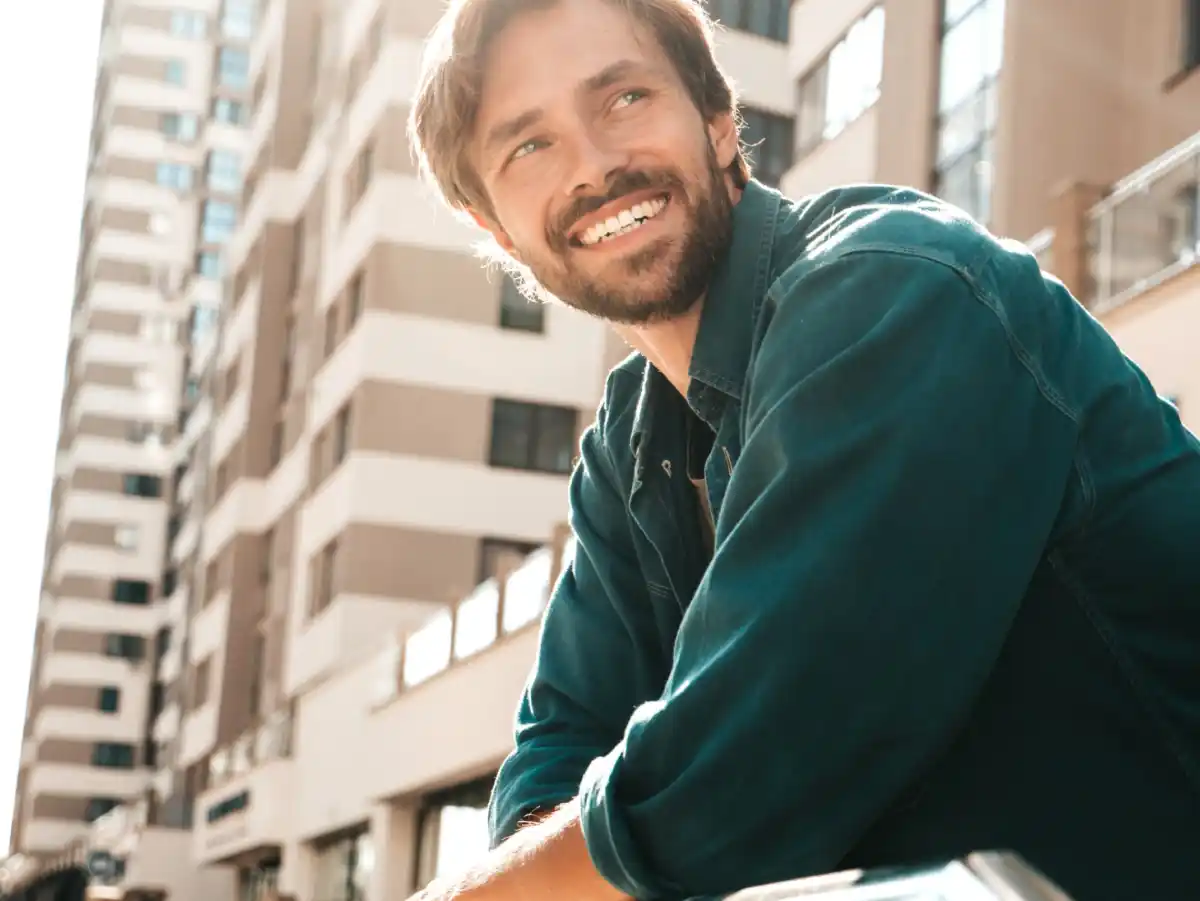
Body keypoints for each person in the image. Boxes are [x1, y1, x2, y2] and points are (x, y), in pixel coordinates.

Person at [405, 0, 1200, 899]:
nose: (595, 164)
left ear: (715, 120)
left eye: (624, 98)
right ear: (498, 232)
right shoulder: (627, 447)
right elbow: (554, 761)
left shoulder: (891, 291)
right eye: (528, 147)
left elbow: (737, 778)